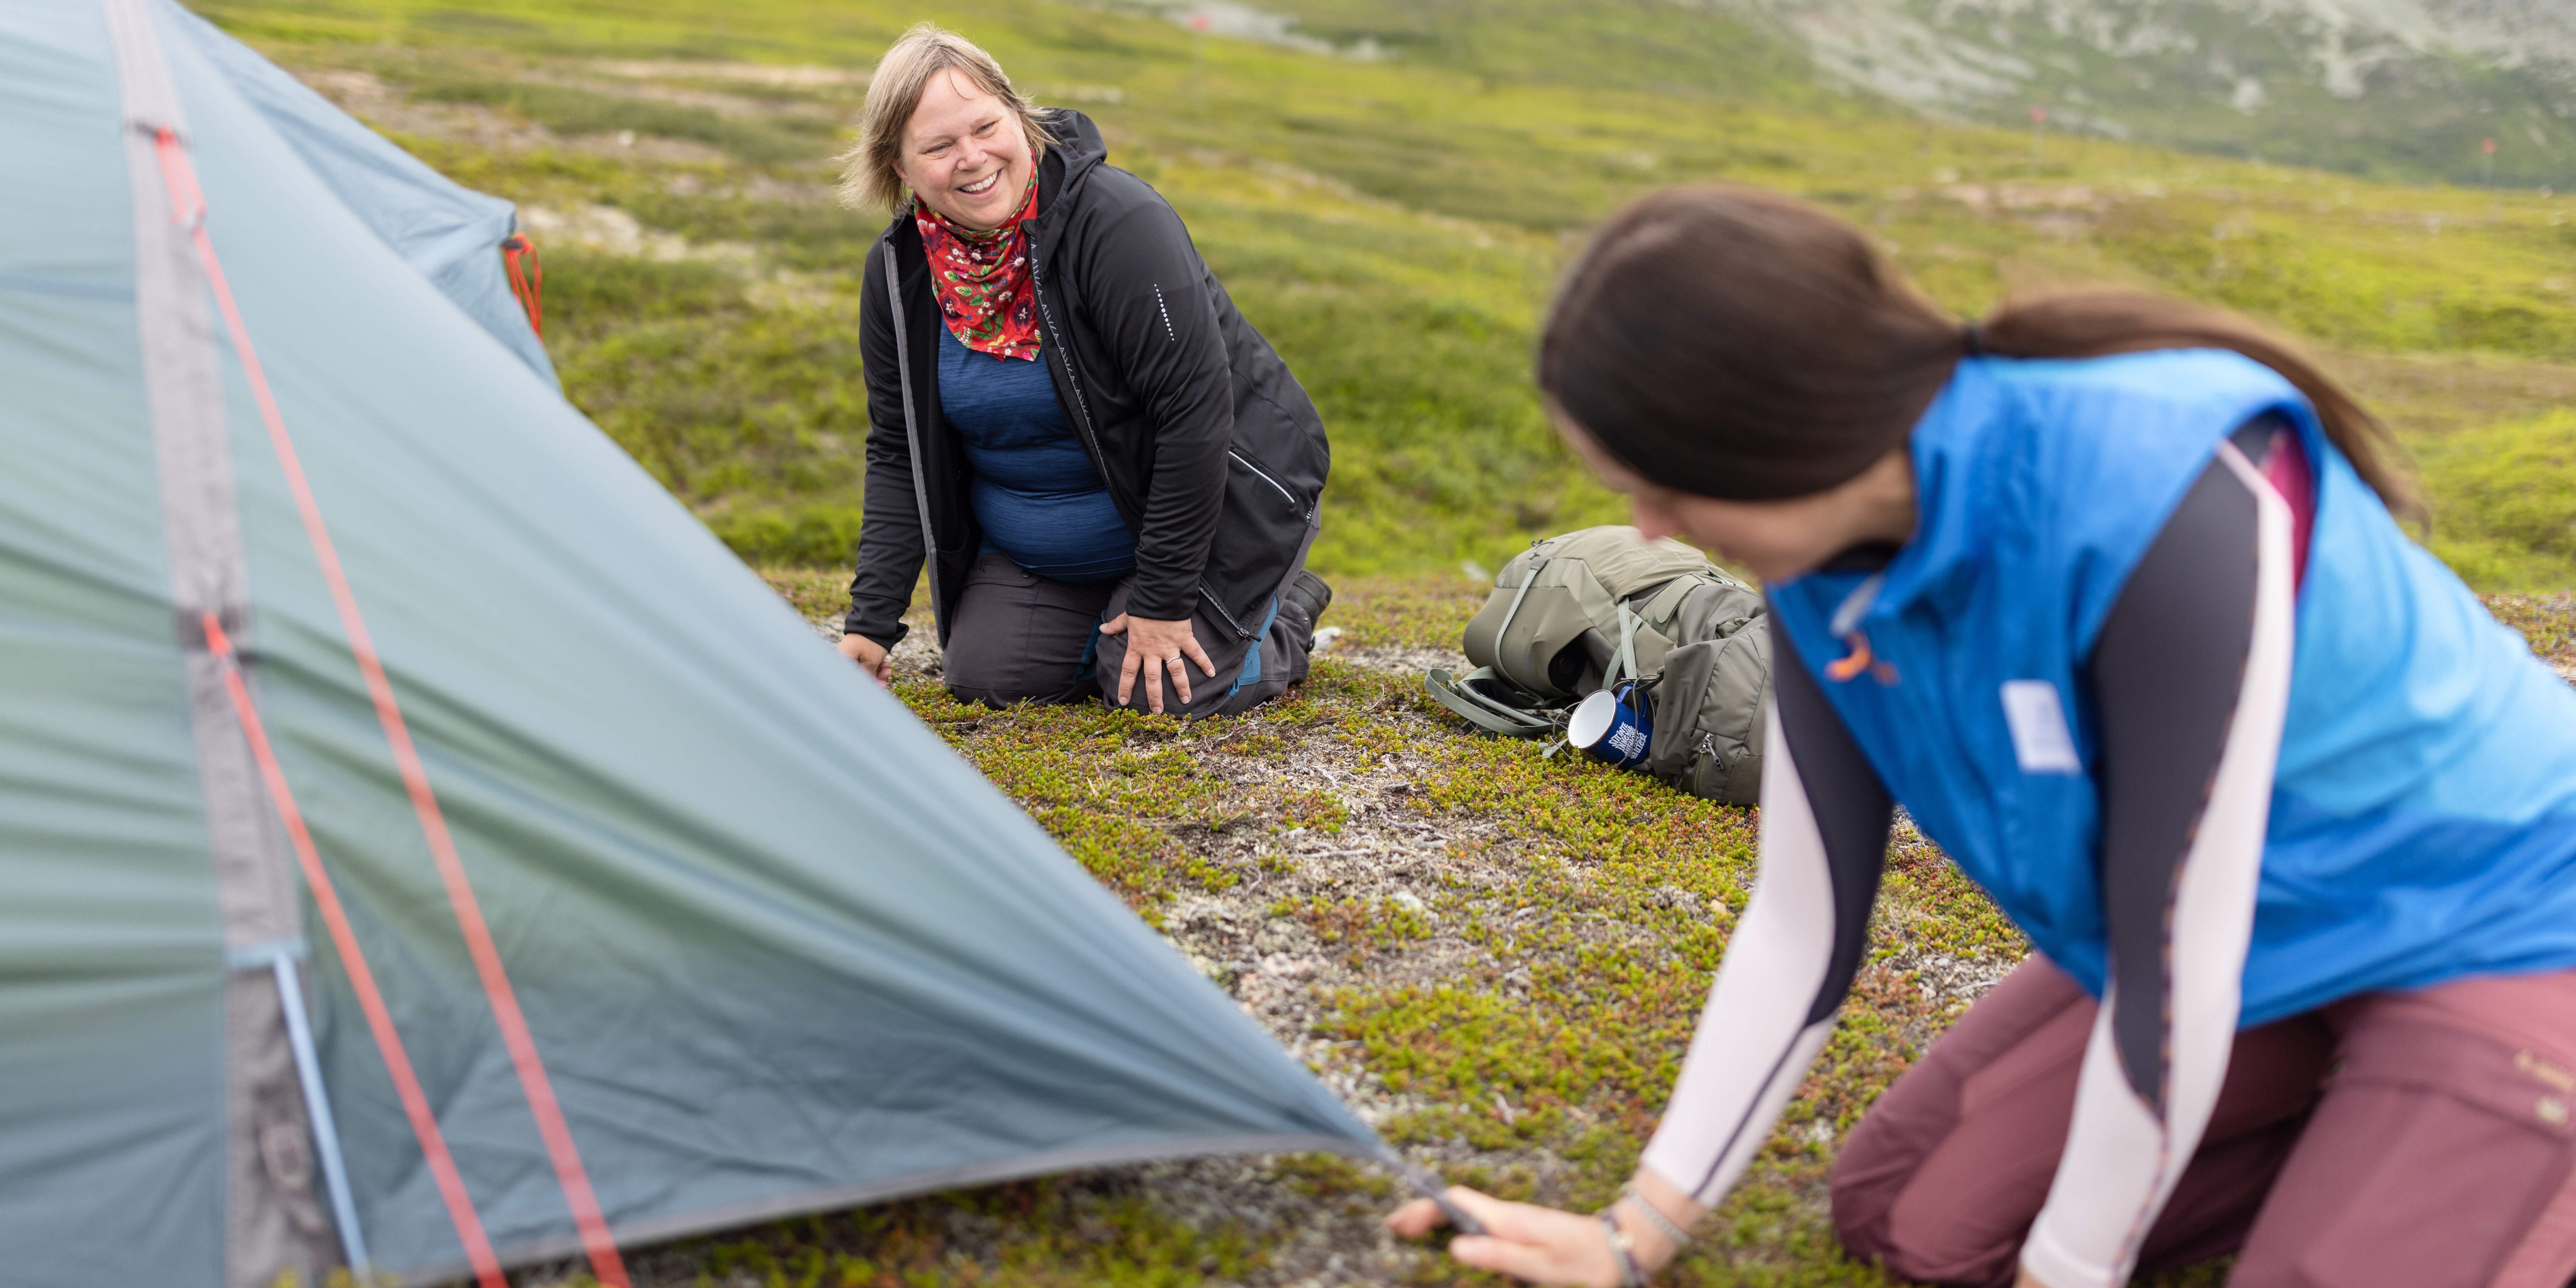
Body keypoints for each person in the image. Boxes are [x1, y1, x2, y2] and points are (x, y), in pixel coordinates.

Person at [1388, 185, 2576, 1287]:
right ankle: (2384, 1129)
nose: (1647, 533)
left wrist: (2071, 1267)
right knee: (1912, 1214)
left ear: (1777, 432)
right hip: (2265, 947)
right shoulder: (1816, 567)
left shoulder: (2161, 496)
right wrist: (1634, 1230)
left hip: (2502, 920)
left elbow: (2174, 962)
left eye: (1661, 486)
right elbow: (1804, 919)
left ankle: (2478, 1145)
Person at [833, 24, 1331, 715]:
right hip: (1041, 553)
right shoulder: (898, 274)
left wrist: (1160, 601)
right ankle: (1113, 615)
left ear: (1019, 116)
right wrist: (870, 623)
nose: (972, 158)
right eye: (939, 146)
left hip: (1210, 518)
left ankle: (1286, 611)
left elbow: (1194, 413)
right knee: (987, 681)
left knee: (1164, 696)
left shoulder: (1118, 223)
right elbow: (898, 448)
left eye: (985, 126)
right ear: (899, 168)